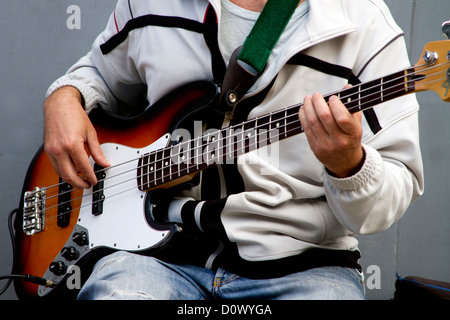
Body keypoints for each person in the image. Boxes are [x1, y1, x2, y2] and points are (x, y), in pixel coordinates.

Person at [43, 0, 424, 300]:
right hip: (157, 258)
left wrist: (350, 166)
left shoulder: (365, 23)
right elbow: (98, 74)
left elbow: (392, 192)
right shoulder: (149, 3)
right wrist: (64, 98)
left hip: (306, 269)